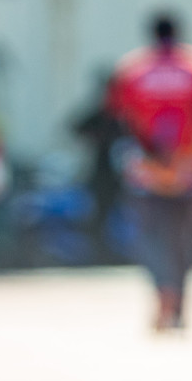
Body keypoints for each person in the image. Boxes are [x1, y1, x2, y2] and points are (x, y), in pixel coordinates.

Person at [108, 12, 192, 330]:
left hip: (147, 169)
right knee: (185, 239)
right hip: (189, 166)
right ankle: (180, 306)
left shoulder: (132, 69)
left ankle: (162, 293)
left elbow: (120, 121)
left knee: (150, 238)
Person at [71, 70, 124, 262]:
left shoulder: (126, 115)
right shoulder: (101, 114)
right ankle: (99, 252)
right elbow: (75, 127)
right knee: (100, 214)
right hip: (103, 174)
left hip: (128, 175)